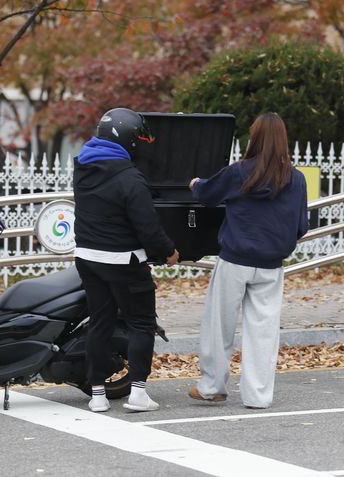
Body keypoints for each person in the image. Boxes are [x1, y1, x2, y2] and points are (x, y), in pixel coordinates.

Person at [187, 112, 308, 409]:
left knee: (219, 326)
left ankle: (212, 386)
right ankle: (258, 396)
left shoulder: (240, 172)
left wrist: (195, 183)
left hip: (234, 260)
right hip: (271, 266)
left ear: (254, 138)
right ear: (283, 140)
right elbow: (301, 227)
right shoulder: (296, 179)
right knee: (263, 333)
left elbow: (207, 194)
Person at [73, 107, 180, 413]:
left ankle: (97, 396)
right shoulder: (130, 178)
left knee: (100, 323)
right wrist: (168, 252)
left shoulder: (82, 168)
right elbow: (148, 228)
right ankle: (137, 394)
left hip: (87, 257)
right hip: (123, 261)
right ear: (130, 140)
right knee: (141, 324)